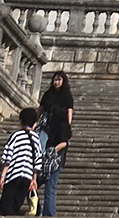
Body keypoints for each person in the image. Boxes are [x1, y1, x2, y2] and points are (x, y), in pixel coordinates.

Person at [35, 73, 75, 217]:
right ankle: (40, 211)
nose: (56, 82)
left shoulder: (66, 96)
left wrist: (69, 124)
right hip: (47, 126)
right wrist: (35, 121)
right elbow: (41, 108)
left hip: (55, 159)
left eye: (59, 79)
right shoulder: (48, 94)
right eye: (55, 79)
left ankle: (47, 213)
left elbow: (70, 109)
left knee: (49, 189)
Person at [0, 106, 41, 215]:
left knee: (6, 203)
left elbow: (7, 157)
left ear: (20, 121)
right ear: (35, 123)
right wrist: (34, 179)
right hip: (26, 176)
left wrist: (3, 175)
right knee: (16, 203)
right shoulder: (36, 138)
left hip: (13, 174)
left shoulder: (16, 136)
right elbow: (37, 160)